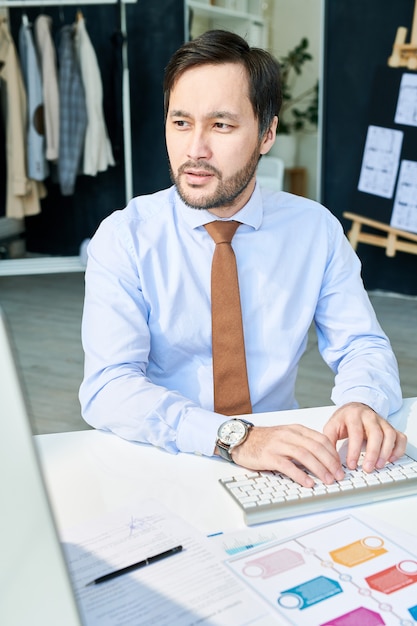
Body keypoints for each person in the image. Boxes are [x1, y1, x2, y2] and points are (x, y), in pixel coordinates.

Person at [79, 30, 406, 488]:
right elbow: (108, 387)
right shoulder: (125, 237)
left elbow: (361, 345)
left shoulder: (314, 230)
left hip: (280, 465)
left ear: (267, 133)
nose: (195, 149)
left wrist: (361, 401)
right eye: (180, 123)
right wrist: (233, 437)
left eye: (221, 125)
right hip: (164, 455)